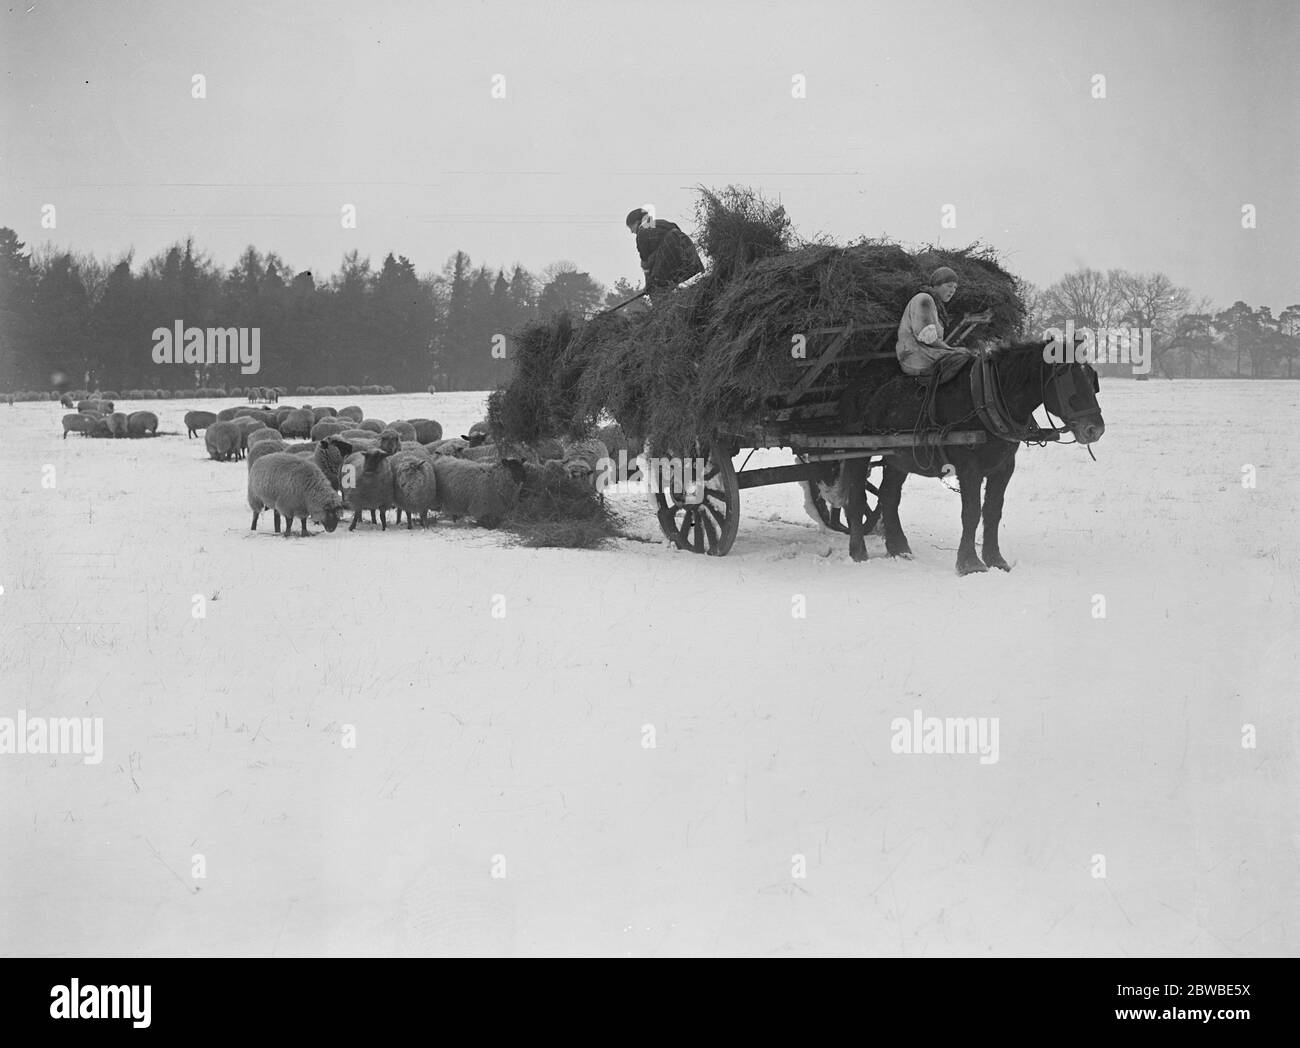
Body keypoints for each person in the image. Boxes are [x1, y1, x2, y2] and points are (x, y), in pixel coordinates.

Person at [896, 266, 975, 377]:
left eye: (955, 288)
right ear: (936, 284)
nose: (952, 291)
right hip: (915, 356)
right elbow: (928, 337)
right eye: (949, 286)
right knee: (964, 357)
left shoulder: (935, 305)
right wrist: (951, 349)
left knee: (967, 354)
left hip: (925, 353)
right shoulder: (924, 299)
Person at [626, 208, 704, 298]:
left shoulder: (641, 233)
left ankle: (665, 309)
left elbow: (646, 264)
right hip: (687, 252)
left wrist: (648, 285)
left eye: (631, 227)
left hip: (670, 252)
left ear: (637, 222)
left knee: (656, 289)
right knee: (666, 281)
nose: (632, 231)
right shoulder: (662, 223)